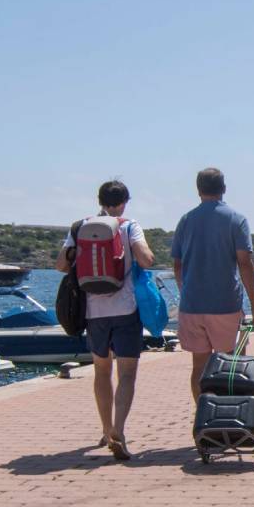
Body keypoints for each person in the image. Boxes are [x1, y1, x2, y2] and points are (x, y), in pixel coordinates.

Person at [54, 180, 153, 461]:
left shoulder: (79, 226)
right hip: (125, 310)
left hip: (93, 313)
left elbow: (61, 265)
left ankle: (105, 428)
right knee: (127, 374)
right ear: (124, 201)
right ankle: (119, 430)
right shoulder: (129, 225)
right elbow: (146, 259)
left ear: (99, 200)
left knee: (101, 373)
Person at [170, 167, 254, 400]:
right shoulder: (236, 220)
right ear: (224, 189)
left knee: (198, 367)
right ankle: (226, 415)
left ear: (198, 190)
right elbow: (245, 263)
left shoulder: (185, 220)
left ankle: (203, 415)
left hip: (192, 305)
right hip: (225, 305)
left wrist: (185, 291)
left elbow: (177, 265)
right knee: (230, 365)